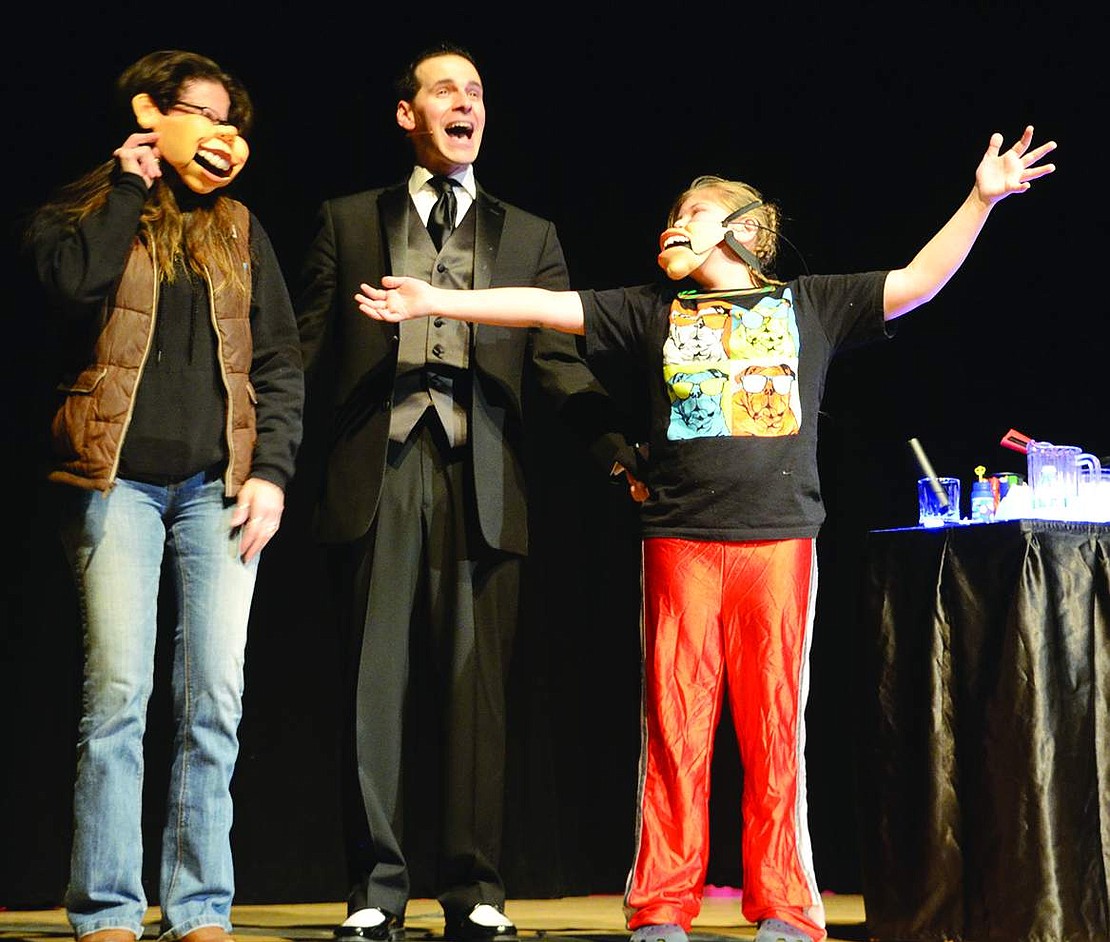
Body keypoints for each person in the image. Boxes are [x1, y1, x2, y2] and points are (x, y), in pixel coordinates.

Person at [354, 126, 1057, 942]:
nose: (670, 225)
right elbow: (542, 307)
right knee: (675, 728)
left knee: (773, 730)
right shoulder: (651, 311)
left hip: (778, 543)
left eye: (690, 212)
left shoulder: (809, 303)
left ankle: (787, 905)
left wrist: (981, 198)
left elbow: (920, 281)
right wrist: (435, 301)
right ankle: (661, 904)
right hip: (680, 540)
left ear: (741, 231)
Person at [295, 41, 634, 942]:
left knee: (475, 692)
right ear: (407, 114)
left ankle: (474, 886)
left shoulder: (529, 235)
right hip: (378, 469)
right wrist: (262, 459)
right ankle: (376, 886)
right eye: (446, 89)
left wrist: (612, 446)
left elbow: (560, 364)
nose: (466, 103)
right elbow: (307, 347)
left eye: (477, 91)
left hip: (484, 477)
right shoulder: (348, 220)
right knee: (375, 689)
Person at [26, 49, 304, 942]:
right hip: (116, 484)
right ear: (152, 109)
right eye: (206, 113)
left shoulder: (241, 229)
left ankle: (198, 908)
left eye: (235, 123)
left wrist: (271, 473)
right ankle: (107, 907)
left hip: (216, 489)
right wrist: (124, 186)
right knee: (118, 696)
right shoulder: (79, 210)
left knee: (213, 700)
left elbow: (277, 363)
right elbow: (71, 290)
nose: (224, 135)